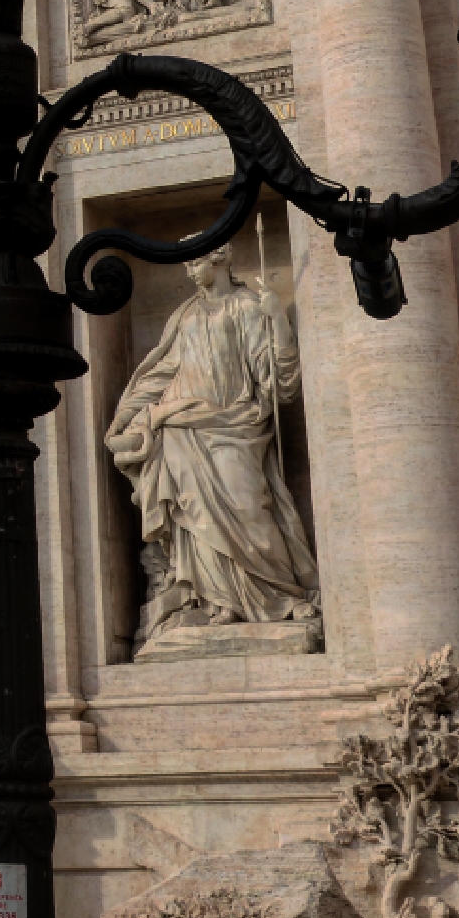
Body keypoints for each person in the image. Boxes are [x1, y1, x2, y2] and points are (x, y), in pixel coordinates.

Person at [105, 245, 317, 638]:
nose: (189, 271)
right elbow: (162, 372)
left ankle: (278, 593)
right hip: (181, 427)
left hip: (234, 424)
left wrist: (278, 322)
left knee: (249, 506)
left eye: (196, 262)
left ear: (220, 261)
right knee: (194, 515)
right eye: (186, 263)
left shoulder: (248, 307)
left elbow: (277, 382)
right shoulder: (184, 315)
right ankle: (217, 601)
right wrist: (124, 417)